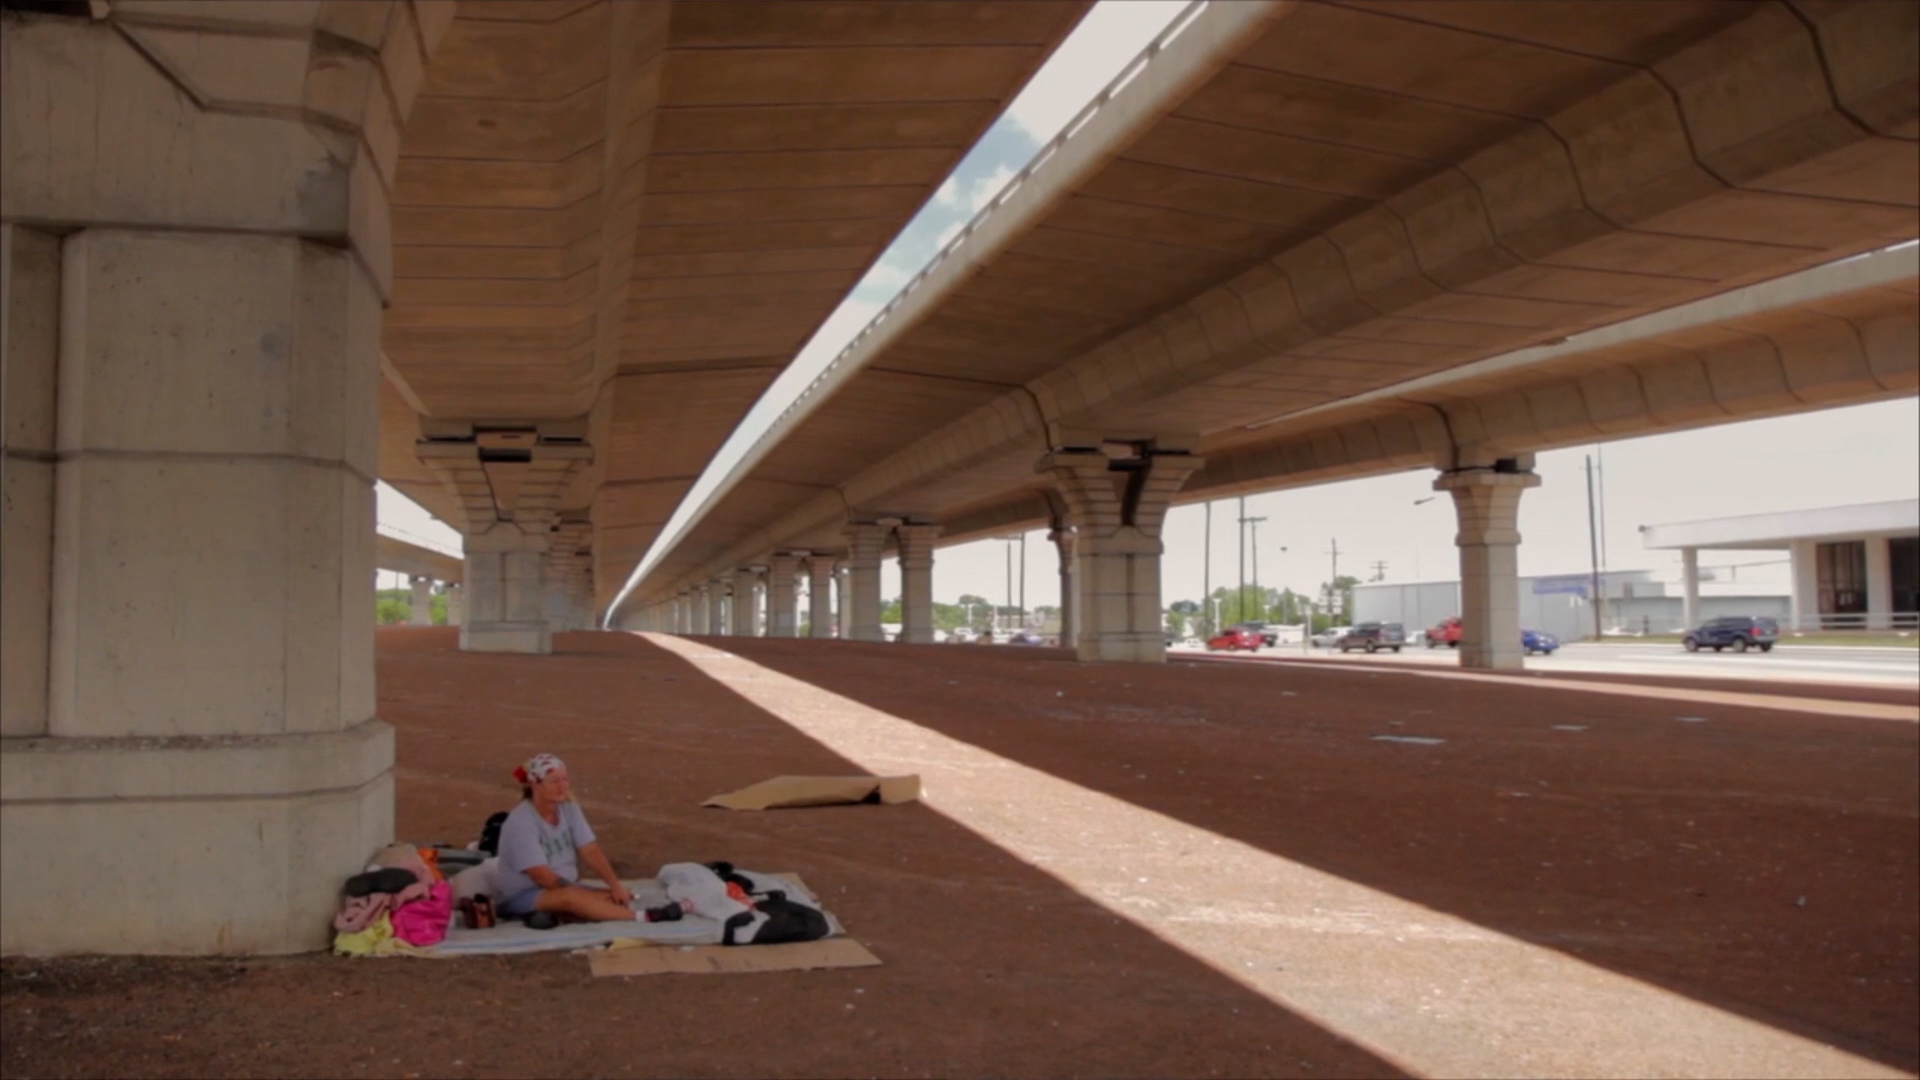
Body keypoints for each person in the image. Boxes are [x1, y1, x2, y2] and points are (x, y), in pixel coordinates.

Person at [491, 753, 647, 924]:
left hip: (561, 887)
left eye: (564, 780)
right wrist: (580, 895)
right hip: (523, 894)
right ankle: (644, 917)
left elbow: (589, 849)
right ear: (535, 785)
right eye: (554, 781)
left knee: (613, 897)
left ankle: (576, 911)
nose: (562, 786)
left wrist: (615, 886)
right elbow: (540, 876)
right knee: (574, 900)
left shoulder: (568, 807)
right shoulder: (521, 823)